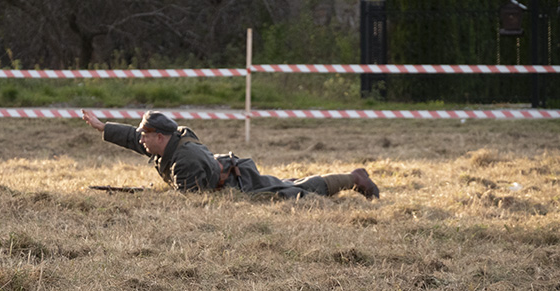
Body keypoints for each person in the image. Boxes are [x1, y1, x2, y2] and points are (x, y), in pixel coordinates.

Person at [80, 109, 379, 199]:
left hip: (237, 182)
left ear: (160, 136)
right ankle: (351, 179)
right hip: (228, 170)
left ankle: (353, 179)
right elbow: (133, 137)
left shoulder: (184, 160)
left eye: (145, 136)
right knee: (290, 182)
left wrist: (139, 195)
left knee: (294, 192)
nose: (140, 140)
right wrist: (102, 127)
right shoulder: (166, 142)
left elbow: (189, 203)